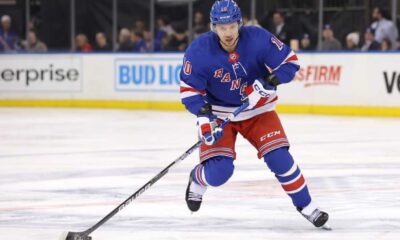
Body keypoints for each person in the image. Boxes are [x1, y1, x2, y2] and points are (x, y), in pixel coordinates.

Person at [180, 0, 330, 229]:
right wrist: (203, 116)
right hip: (220, 115)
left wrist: (269, 81)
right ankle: (197, 179)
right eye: (222, 27)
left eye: (232, 26)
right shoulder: (199, 50)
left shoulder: (258, 38)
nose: (228, 33)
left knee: (279, 158)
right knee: (220, 172)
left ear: (240, 23)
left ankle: (307, 206)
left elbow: (290, 63)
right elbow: (190, 90)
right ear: (213, 27)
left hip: (259, 110)